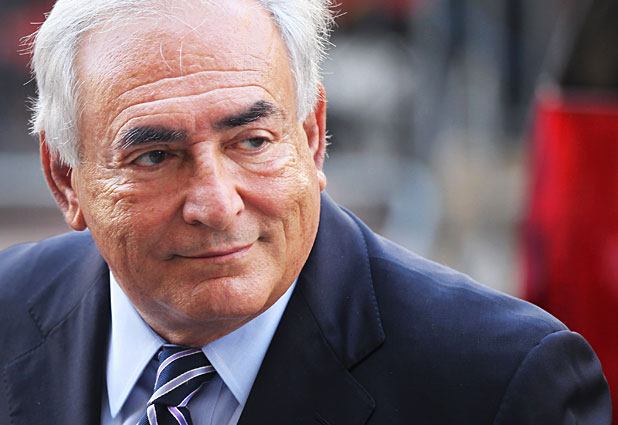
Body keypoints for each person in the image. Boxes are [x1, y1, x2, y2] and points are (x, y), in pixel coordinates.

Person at [0, 0, 612, 424]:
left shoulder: (500, 382)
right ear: (65, 179)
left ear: (312, 137)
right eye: (155, 156)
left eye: (252, 142)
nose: (217, 204)